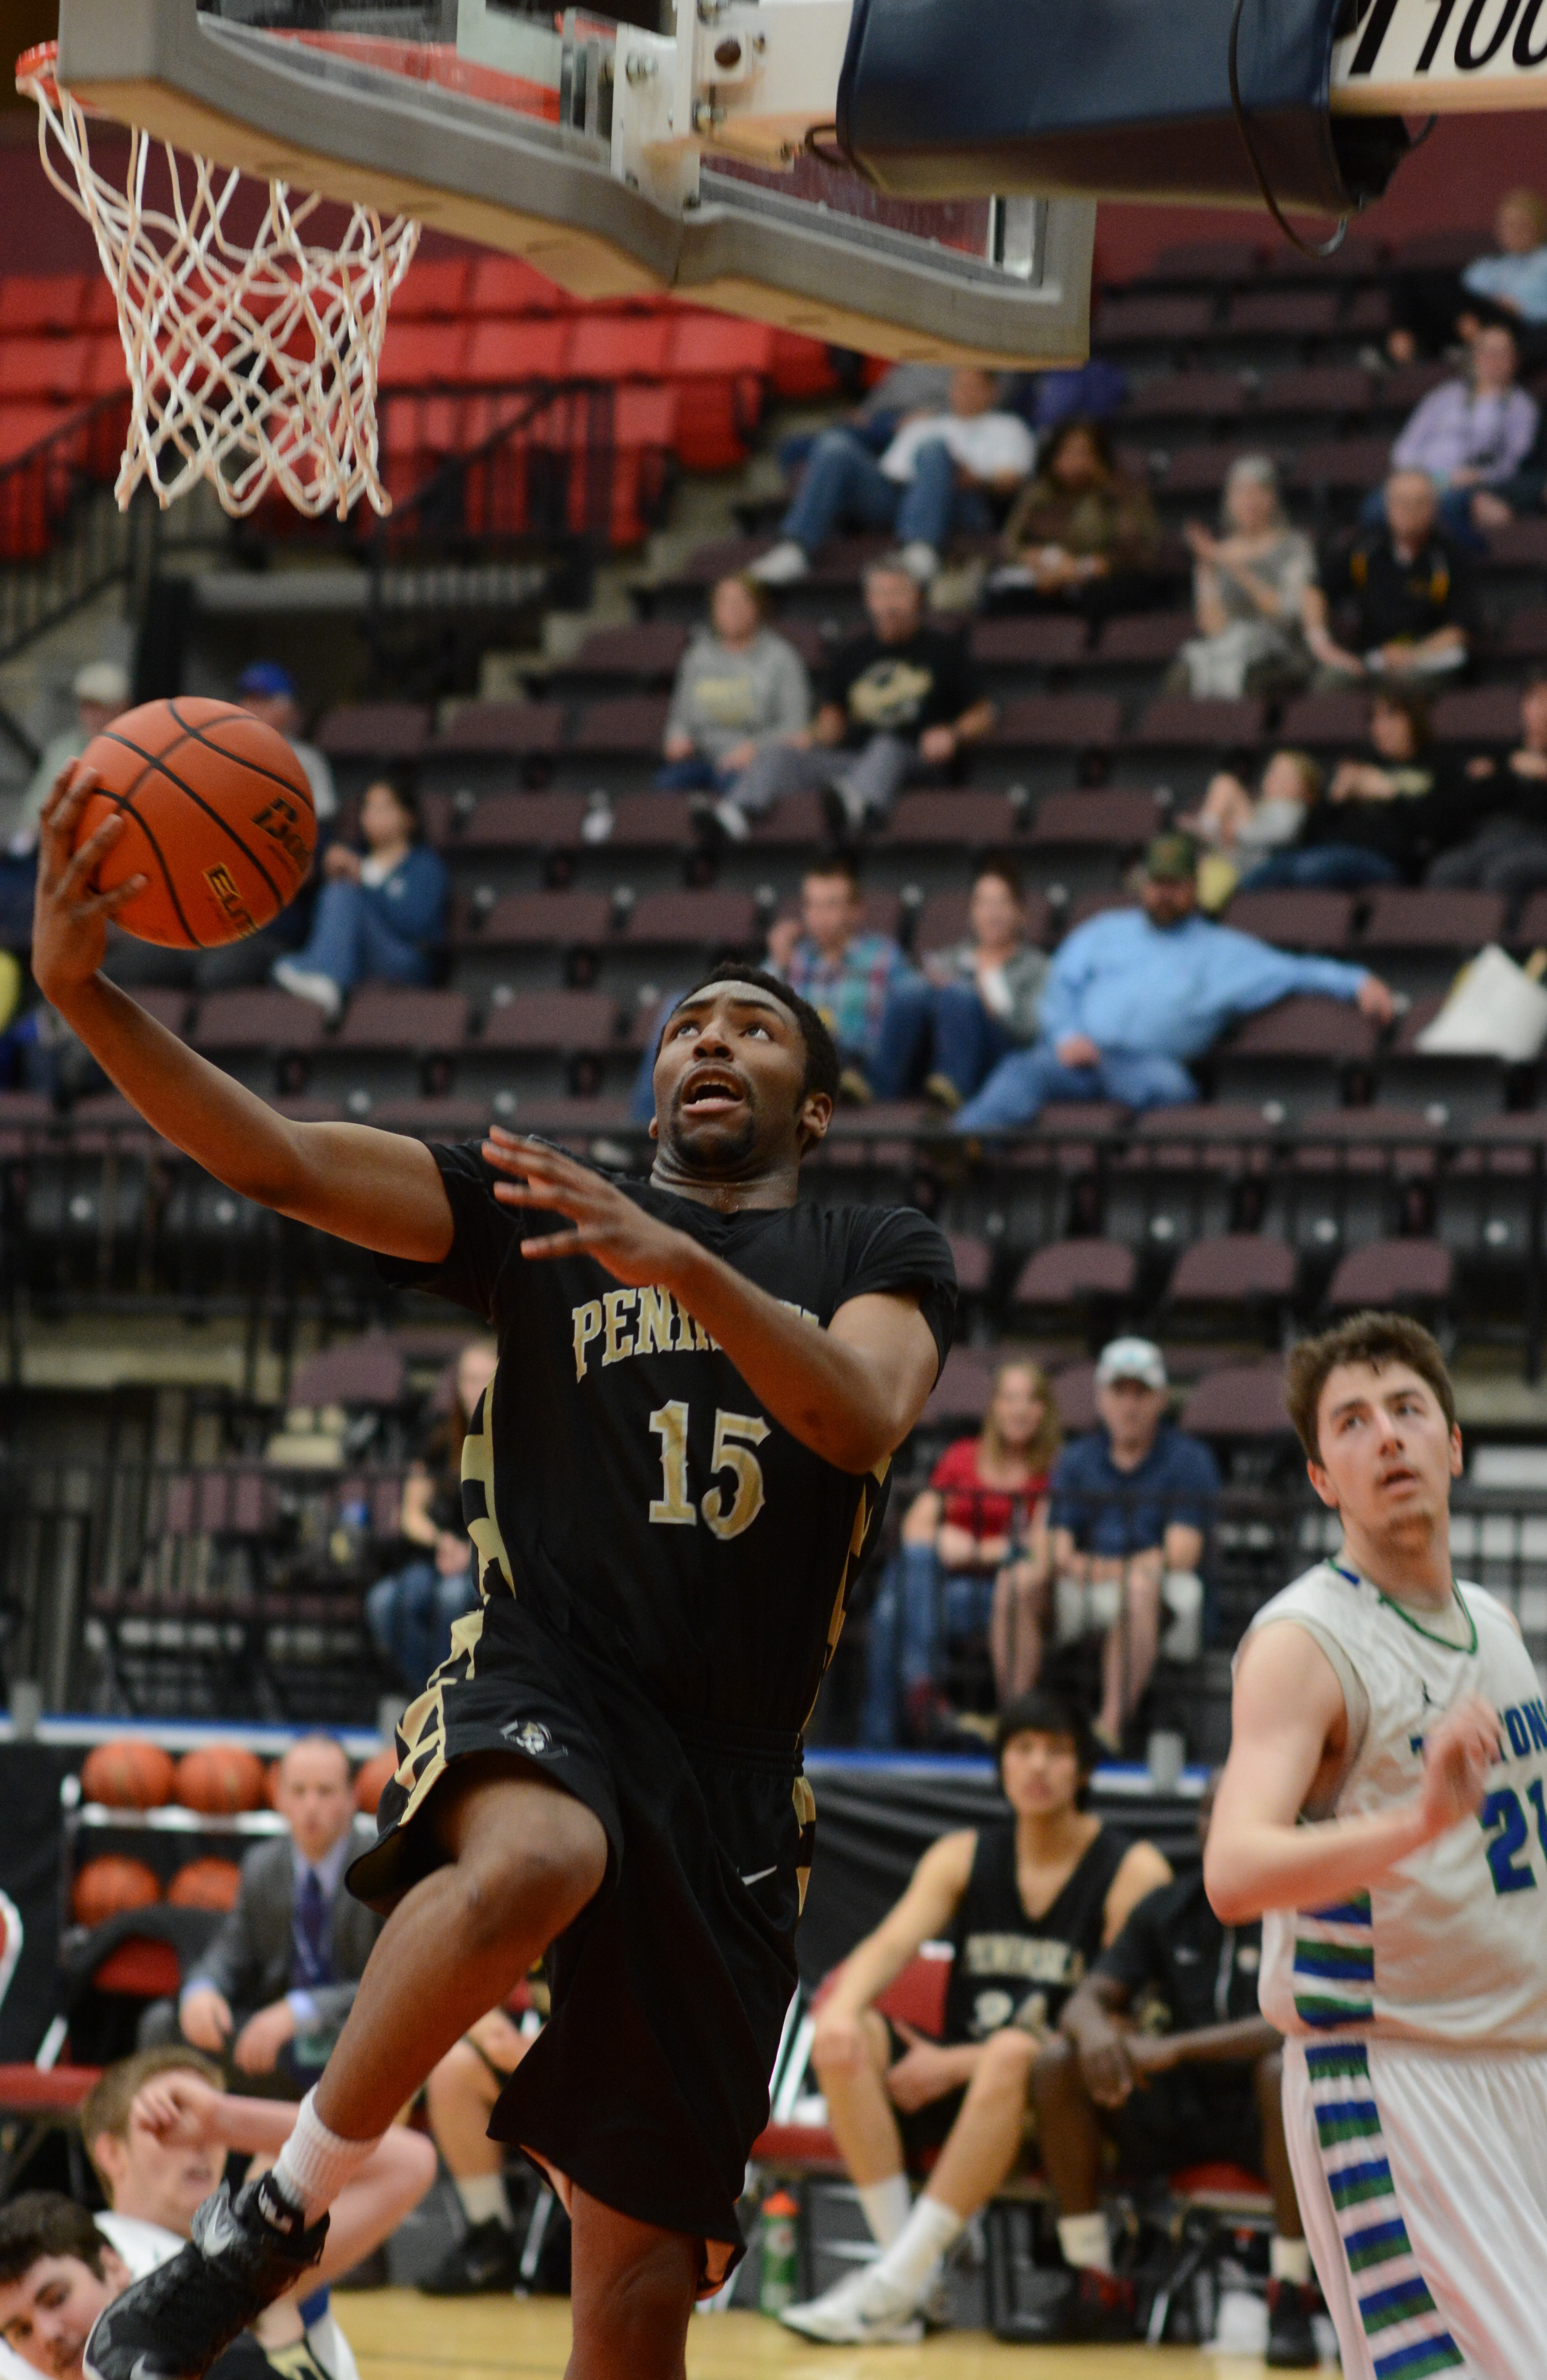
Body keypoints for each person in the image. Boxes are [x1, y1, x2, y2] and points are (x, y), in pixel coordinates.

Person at [34, 768, 959, 2380]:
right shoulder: (536, 1209)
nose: (709, 1042)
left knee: (633, 2296)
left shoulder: (879, 1246)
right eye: (687, 1025)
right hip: (551, 1668)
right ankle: (274, 2215)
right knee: (532, 1852)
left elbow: (862, 1408)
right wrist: (84, 994)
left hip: (735, 1781)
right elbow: (279, 1162)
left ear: (813, 1105)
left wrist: (671, 1256)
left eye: (751, 1026)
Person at [1206, 1310, 1547, 2380]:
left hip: (1521, 2069)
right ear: (1320, 1478)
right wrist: (1411, 1823)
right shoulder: (1305, 1643)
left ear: (1454, 1443)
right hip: (1392, 2084)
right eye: (1351, 1422)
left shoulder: (1491, 1620)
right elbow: (1234, 1870)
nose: (1386, 1436)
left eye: (1406, 1410)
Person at [778, 1692, 1170, 2346]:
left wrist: (956, 2063)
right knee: (843, 2039)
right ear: (1001, 1764)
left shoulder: (1133, 1869)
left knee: (1014, 2053)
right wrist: (840, 2009)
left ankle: (891, 2288)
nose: (1037, 1766)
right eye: (1022, 1750)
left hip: (1063, 2098)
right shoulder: (962, 1855)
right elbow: (886, 1948)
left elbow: (1123, 2023)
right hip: (969, 2089)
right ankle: (910, 2287)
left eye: (1055, 1751)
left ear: (1083, 1770)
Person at [1035, 1776, 1315, 2362]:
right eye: (1213, 1811)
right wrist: (1093, 2033)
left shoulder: (1312, 1908)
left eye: (1242, 1809)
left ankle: (1290, 2290)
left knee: (1283, 2072)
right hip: (1179, 2109)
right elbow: (1085, 1998)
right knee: (1058, 2062)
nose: (1223, 1824)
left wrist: (1177, 2049)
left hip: (1263, 2116)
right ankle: (1095, 2279)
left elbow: (1297, 2019)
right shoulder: (1168, 1907)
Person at [951, 833, 1395, 1135]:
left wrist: (1356, 981)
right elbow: (1058, 988)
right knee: (1020, 1071)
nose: (1163, 893)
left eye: (1174, 884)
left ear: (1193, 887)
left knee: (1174, 1090)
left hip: (1146, 1067)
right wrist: (1066, 1034)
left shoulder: (1222, 951)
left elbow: (1293, 970)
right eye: (1156, 883)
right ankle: (962, 1145)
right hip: (1079, 1056)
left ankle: (1124, 1175)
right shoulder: (1104, 930)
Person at [0, 2081, 430, 2380]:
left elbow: (408, 2166)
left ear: (114, 2268)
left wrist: (229, 2120)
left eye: (208, 2129)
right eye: (166, 2124)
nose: (49, 2335)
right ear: (113, 2153)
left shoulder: (218, 2276)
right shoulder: (72, 2257)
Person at [859, 1359, 1060, 1747]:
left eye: (1031, 1400)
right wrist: (954, 1541)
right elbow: (916, 1528)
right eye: (1010, 1398)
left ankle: (883, 1736)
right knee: (909, 1578)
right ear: (995, 1408)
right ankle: (923, 1693)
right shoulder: (963, 1456)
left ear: (1045, 1411)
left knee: (893, 1610)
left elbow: (1041, 1549)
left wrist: (975, 1550)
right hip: (939, 1590)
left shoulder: (1054, 1470)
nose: (1019, 1410)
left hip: (1004, 1597)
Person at [163, 1736, 380, 2095]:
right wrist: (203, 1991)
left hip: (354, 2038)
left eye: (325, 1792)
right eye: (298, 1791)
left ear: (351, 1798)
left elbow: (391, 1984)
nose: (311, 1806)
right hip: (277, 2042)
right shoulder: (262, 1866)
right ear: (279, 1798)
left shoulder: (380, 1870)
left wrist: (301, 2011)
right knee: (164, 2025)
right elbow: (228, 1954)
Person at [716, 560, 994, 838]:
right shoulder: (851, 653)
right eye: (881, 595)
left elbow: (983, 713)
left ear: (916, 597)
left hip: (917, 760)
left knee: (885, 745)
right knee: (778, 756)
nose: (889, 605)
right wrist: (815, 734)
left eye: (898, 593)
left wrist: (953, 734)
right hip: (854, 762)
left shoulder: (945, 650)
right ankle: (736, 813)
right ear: (869, 601)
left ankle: (858, 805)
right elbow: (831, 719)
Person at [1042, 1338, 1219, 1754]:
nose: (1129, 1404)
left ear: (1160, 1399)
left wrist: (1107, 1570)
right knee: (1020, 1582)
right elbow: (1058, 1548)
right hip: (1086, 1584)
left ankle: (1108, 1730)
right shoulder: (1075, 1458)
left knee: (1139, 1589)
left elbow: (1181, 1553)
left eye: (1140, 1393)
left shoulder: (1189, 1459)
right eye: (1118, 1392)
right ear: (1101, 1399)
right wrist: (1088, 1568)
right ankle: (1018, 1725)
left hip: (1163, 1588)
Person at [751, 368, 1035, 588]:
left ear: (992, 391)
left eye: (973, 386)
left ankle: (921, 550)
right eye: (959, 385)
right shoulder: (929, 421)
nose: (964, 392)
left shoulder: (1008, 427)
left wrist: (974, 478)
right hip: (902, 497)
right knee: (835, 445)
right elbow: (890, 472)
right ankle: (796, 547)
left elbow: (1011, 481)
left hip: (961, 502)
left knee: (934, 450)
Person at [365, 1338, 499, 1693]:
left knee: (452, 1597)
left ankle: (449, 1693)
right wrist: (442, 1542)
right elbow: (410, 1513)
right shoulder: (438, 1438)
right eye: (469, 1379)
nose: (476, 1389)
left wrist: (470, 1553)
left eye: (486, 1378)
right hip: (437, 1551)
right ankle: (430, 1691)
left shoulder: (516, 1439)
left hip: (488, 1561)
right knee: (387, 1601)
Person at [862, 860, 1048, 1108]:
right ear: (972, 912)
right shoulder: (953, 957)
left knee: (958, 995)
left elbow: (1032, 1033)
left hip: (1001, 1058)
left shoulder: (1037, 967)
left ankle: (954, 1086)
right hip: (933, 1055)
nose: (992, 913)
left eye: (1001, 903)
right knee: (910, 990)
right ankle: (878, 1087)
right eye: (983, 903)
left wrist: (995, 1000)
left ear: (1020, 912)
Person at [1238, 691, 1463, 892]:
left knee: (1311, 867)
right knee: (1265, 871)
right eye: (1376, 719)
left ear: (1413, 721)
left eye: (1391, 717)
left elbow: (1440, 828)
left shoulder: (1437, 765)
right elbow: (1311, 831)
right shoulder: (1362, 761)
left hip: (1389, 861)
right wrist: (1336, 798)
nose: (1382, 727)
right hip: (1334, 851)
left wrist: (1392, 794)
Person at [273, 777, 447, 1022]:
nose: (374, 815)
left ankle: (326, 977)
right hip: (359, 957)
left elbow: (415, 924)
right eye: (369, 807)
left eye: (385, 807)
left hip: (405, 959)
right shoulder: (357, 858)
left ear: (409, 817)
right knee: (338, 891)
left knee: (344, 893)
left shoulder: (424, 865)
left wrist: (362, 881)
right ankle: (322, 972)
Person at [655, 576, 810, 823]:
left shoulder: (781, 658)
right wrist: (677, 738)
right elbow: (680, 718)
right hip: (702, 758)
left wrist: (755, 750)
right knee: (666, 786)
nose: (733, 611)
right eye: (725, 603)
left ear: (757, 608)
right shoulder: (698, 657)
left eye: (740, 603)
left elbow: (797, 731)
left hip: (751, 764)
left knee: (738, 791)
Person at [1306, 470, 1477, 688]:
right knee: (1330, 682)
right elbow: (1317, 590)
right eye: (1401, 502)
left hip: (1426, 660)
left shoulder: (1451, 557)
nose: (1409, 510)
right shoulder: (1365, 548)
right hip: (1369, 657)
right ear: (1387, 506)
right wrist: (1323, 646)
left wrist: (1415, 654)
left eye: (1419, 503)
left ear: (1434, 508)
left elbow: (1464, 627)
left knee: (1405, 686)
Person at [766, 857, 918, 1096]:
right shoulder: (794, 958)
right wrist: (777, 962)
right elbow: (753, 1008)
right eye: (812, 905)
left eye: (831, 905)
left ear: (856, 911)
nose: (819, 916)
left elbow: (910, 1021)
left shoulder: (884, 957)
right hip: (804, 1070)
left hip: (867, 1069)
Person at [1176, 456, 1317, 700]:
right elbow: (1213, 628)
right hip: (1230, 647)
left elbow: (1286, 614)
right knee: (1182, 675)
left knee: (1253, 679)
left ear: (1273, 498)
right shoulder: (1217, 553)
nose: (1249, 503)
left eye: (1258, 493)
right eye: (1241, 493)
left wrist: (1236, 568)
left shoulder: (1295, 547)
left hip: (1280, 649)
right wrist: (1207, 570)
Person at [1382, 323, 1539, 542]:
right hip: (1420, 480)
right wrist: (1425, 479)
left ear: (1514, 360)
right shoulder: (1444, 396)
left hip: (1469, 486)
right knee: (1377, 509)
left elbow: (1514, 463)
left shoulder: (1521, 408)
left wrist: (1480, 476)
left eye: (1502, 353)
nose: (1494, 359)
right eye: (1488, 352)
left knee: (1452, 506)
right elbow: (1404, 448)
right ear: (1475, 356)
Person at [418, 2002, 534, 2296]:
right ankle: (491, 2237)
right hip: (528, 2049)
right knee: (452, 2068)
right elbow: (470, 1975)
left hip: (602, 2049)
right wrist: (484, 2023)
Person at [990, 419, 1162, 617]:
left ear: (1100, 458)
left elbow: (1138, 550)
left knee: (1109, 597)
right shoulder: (1039, 494)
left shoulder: (1123, 493)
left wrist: (1088, 568)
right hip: (1047, 577)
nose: (1074, 461)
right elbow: (1012, 544)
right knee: (1004, 599)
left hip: (1103, 579)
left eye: (1083, 453)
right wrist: (1039, 558)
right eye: (1067, 453)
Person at [1429, 667, 1547, 907]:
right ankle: (1450, 944)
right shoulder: (1501, 754)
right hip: (1495, 838)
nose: (1543, 710)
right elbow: (1470, 803)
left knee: (1505, 871)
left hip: (1539, 841)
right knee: (1446, 871)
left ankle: (1500, 944)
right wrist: (1490, 776)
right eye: (1536, 699)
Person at [1389, 189, 1547, 367]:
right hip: (1478, 318)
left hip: (1523, 328)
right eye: (1506, 224)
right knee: (1416, 278)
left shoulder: (1544, 262)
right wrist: (1463, 313)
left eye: (1520, 224)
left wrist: (1524, 308)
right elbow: (1457, 293)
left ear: (1539, 226)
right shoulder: (1489, 266)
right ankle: (1402, 340)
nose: (1512, 231)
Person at [1180, 749, 1322, 911]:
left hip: (1257, 864)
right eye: (1274, 772)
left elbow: (1281, 834)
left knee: (1226, 783)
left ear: (1306, 787)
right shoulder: (1262, 805)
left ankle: (1206, 831)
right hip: (1237, 855)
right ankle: (1206, 832)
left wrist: (1237, 831)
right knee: (1224, 783)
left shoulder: (1292, 808)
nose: (1277, 779)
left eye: (1287, 776)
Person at [234, 665, 337, 828]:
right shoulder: (222, 747)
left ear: (286, 707)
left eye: (262, 700)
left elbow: (323, 819)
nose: (251, 707)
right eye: (248, 698)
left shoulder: (307, 758)